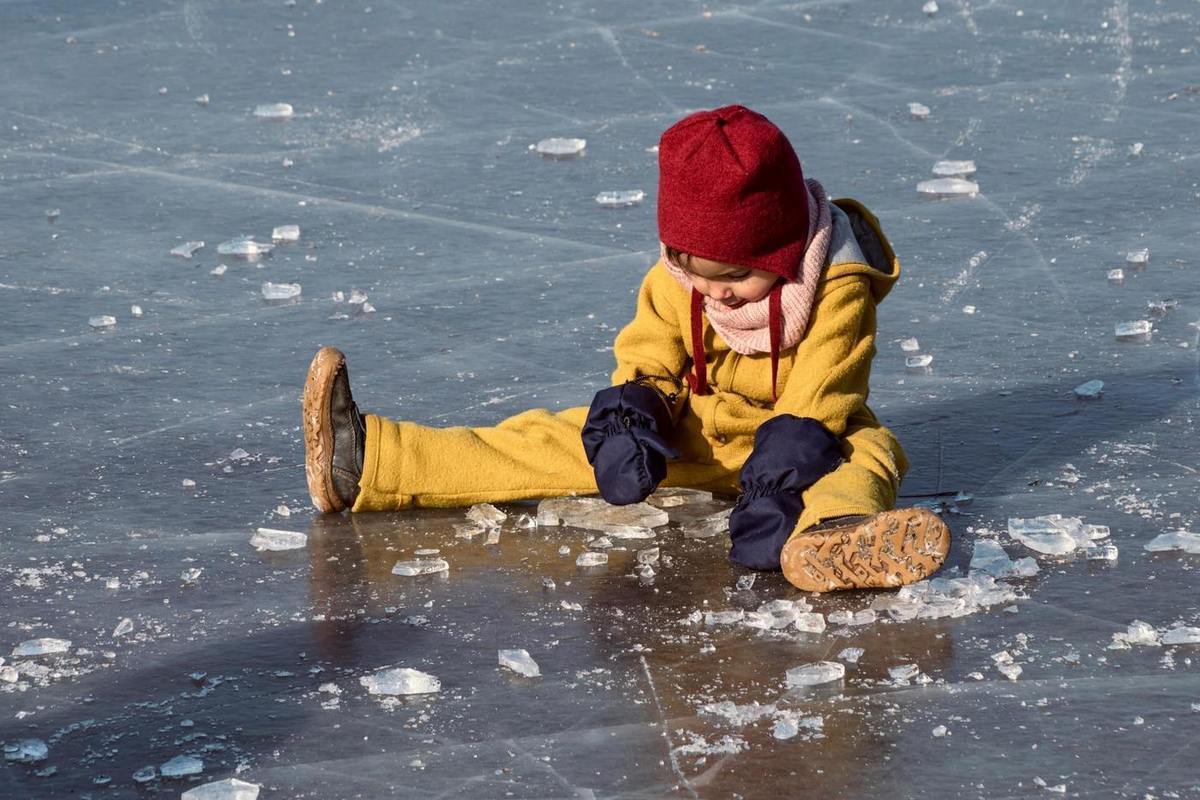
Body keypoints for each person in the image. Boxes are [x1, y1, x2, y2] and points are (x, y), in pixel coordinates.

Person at [301, 104, 950, 593]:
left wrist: (780, 483)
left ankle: (828, 536)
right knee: (551, 438)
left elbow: (824, 394)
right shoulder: (680, 278)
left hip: (805, 443)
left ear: (782, 252)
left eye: (736, 278)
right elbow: (650, 353)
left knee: (870, 454)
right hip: (697, 431)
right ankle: (373, 462)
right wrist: (631, 423)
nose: (715, 295)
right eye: (696, 273)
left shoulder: (836, 285)